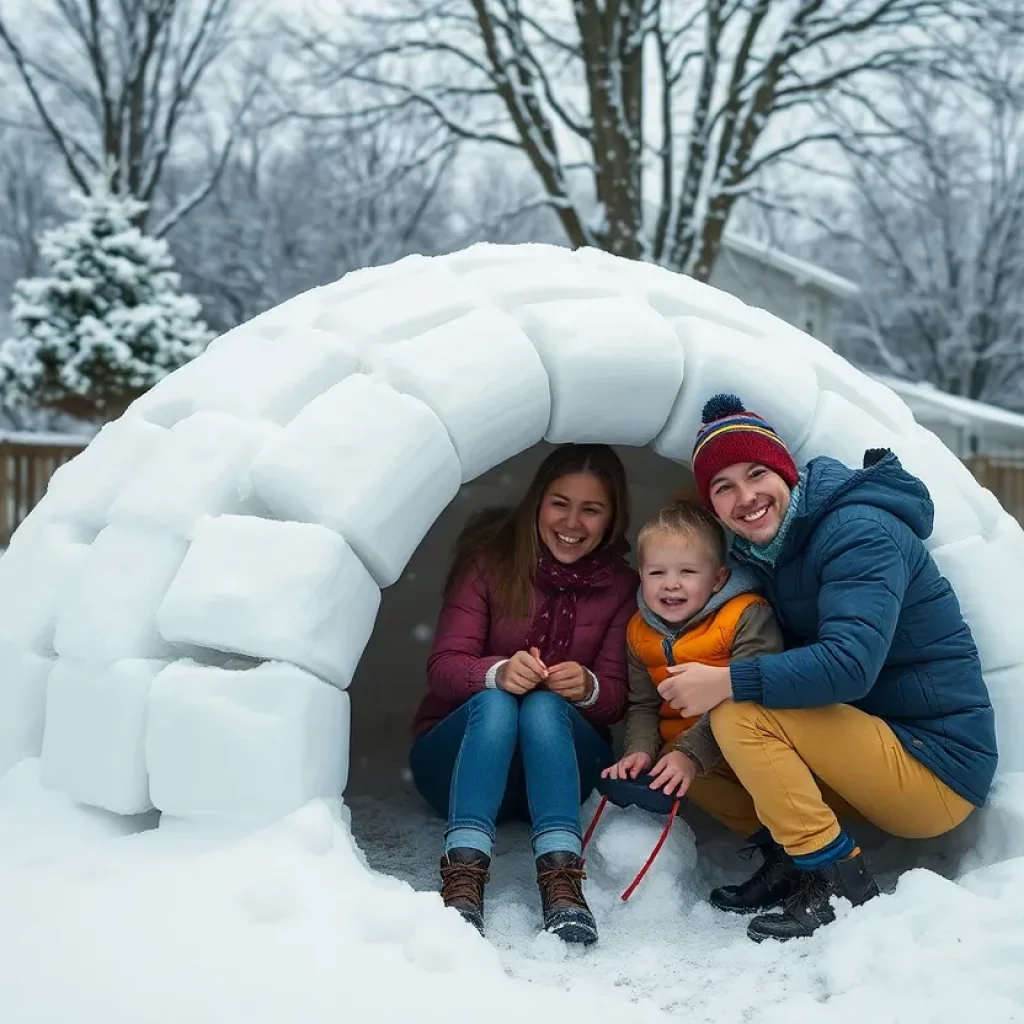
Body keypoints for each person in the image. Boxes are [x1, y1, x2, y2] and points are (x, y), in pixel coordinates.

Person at [659, 393, 998, 942]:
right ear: (713, 507)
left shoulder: (857, 531)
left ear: (786, 473)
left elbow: (850, 665)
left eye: (756, 474)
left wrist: (724, 682)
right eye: (724, 487)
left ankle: (837, 879)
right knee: (683, 754)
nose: (745, 497)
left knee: (738, 712)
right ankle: (792, 857)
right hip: (872, 749)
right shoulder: (770, 555)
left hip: (937, 768)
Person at [410, 444, 636, 945]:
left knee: (544, 702)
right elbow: (443, 667)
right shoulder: (490, 562)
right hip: (454, 767)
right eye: (560, 503)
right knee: (496, 702)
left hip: (557, 770)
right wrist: (496, 673)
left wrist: (589, 688)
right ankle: (464, 876)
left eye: (591, 509)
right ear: (537, 502)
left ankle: (561, 881)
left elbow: (620, 699)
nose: (572, 521)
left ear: (611, 518)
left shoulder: (623, 585)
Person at [600, 501, 783, 813]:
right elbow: (644, 704)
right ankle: (761, 838)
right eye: (657, 572)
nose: (671, 583)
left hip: (752, 744)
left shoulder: (745, 615)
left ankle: (788, 832)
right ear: (641, 576)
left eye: (687, 572)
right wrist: (640, 751)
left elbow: (753, 694)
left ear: (717, 579)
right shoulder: (639, 631)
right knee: (669, 777)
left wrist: (691, 754)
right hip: (686, 753)